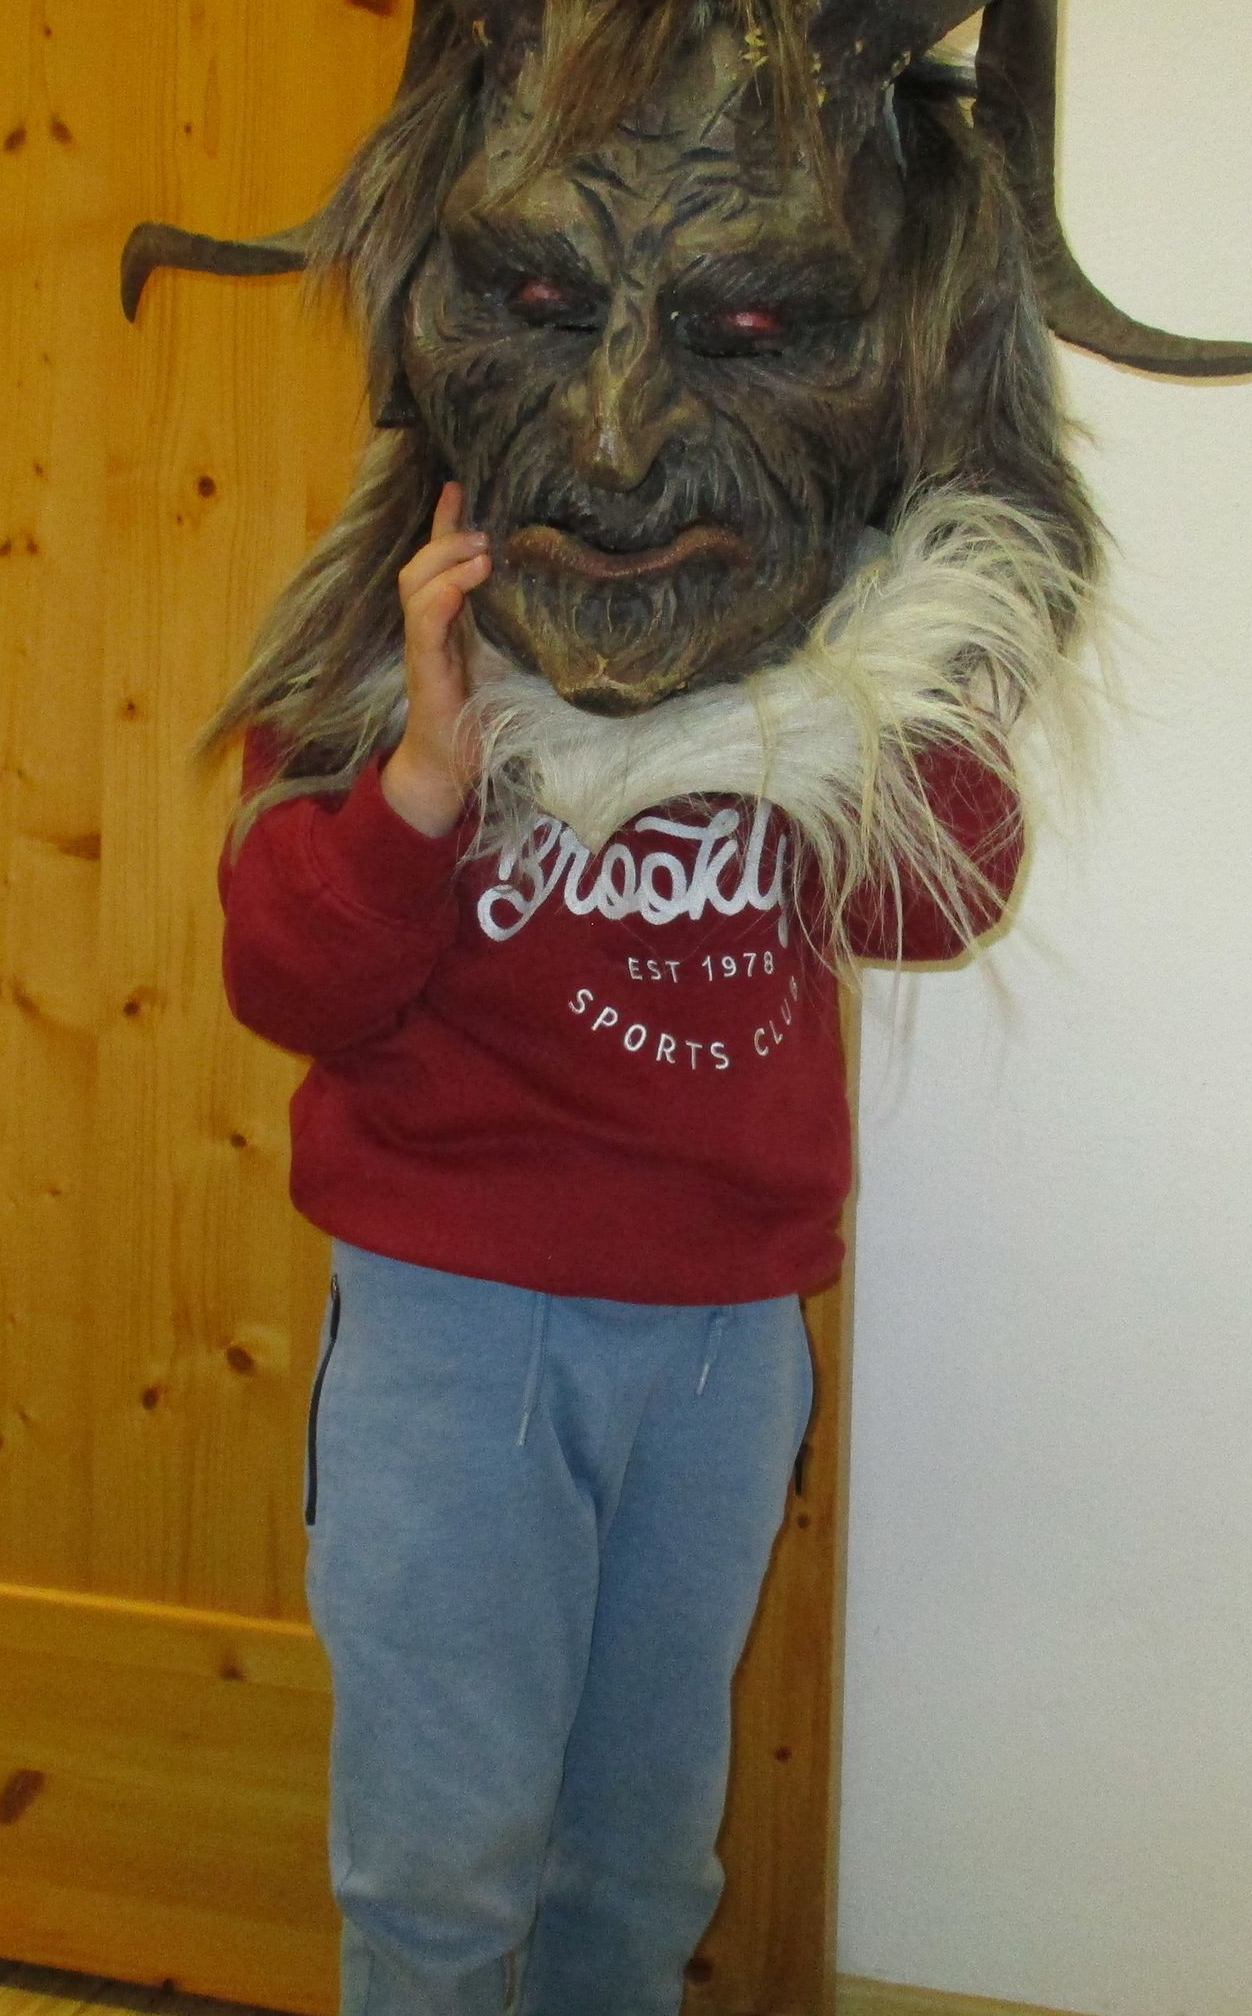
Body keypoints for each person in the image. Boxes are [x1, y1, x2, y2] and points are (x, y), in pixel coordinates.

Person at [215, 481, 1026, 2016]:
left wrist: (902, 635)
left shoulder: (798, 625)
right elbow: (283, 976)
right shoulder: (385, 640)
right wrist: (425, 776)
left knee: (641, 1858)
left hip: (726, 1331)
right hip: (455, 1326)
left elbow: (945, 890)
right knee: (441, 1860)